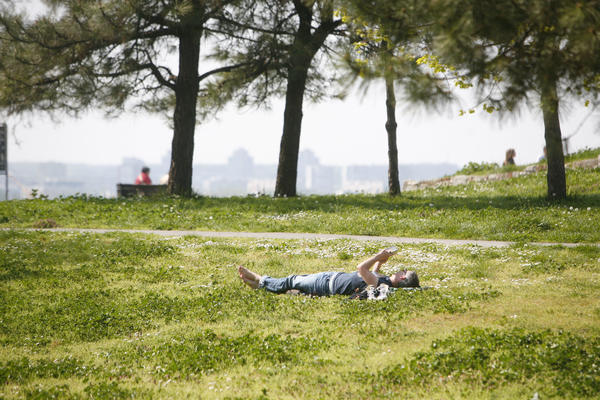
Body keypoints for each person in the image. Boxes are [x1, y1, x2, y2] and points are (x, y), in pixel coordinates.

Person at [237, 248, 420, 297]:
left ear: (403, 277)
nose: (400, 269)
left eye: (403, 271)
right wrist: (380, 262)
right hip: (330, 278)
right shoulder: (383, 282)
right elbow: (371, 274)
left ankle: (260, 279)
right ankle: (260, 286)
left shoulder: (382, 285)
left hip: (326, 283)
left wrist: (376, 256)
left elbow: (361, 269)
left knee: (292, 281)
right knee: (295, 281)